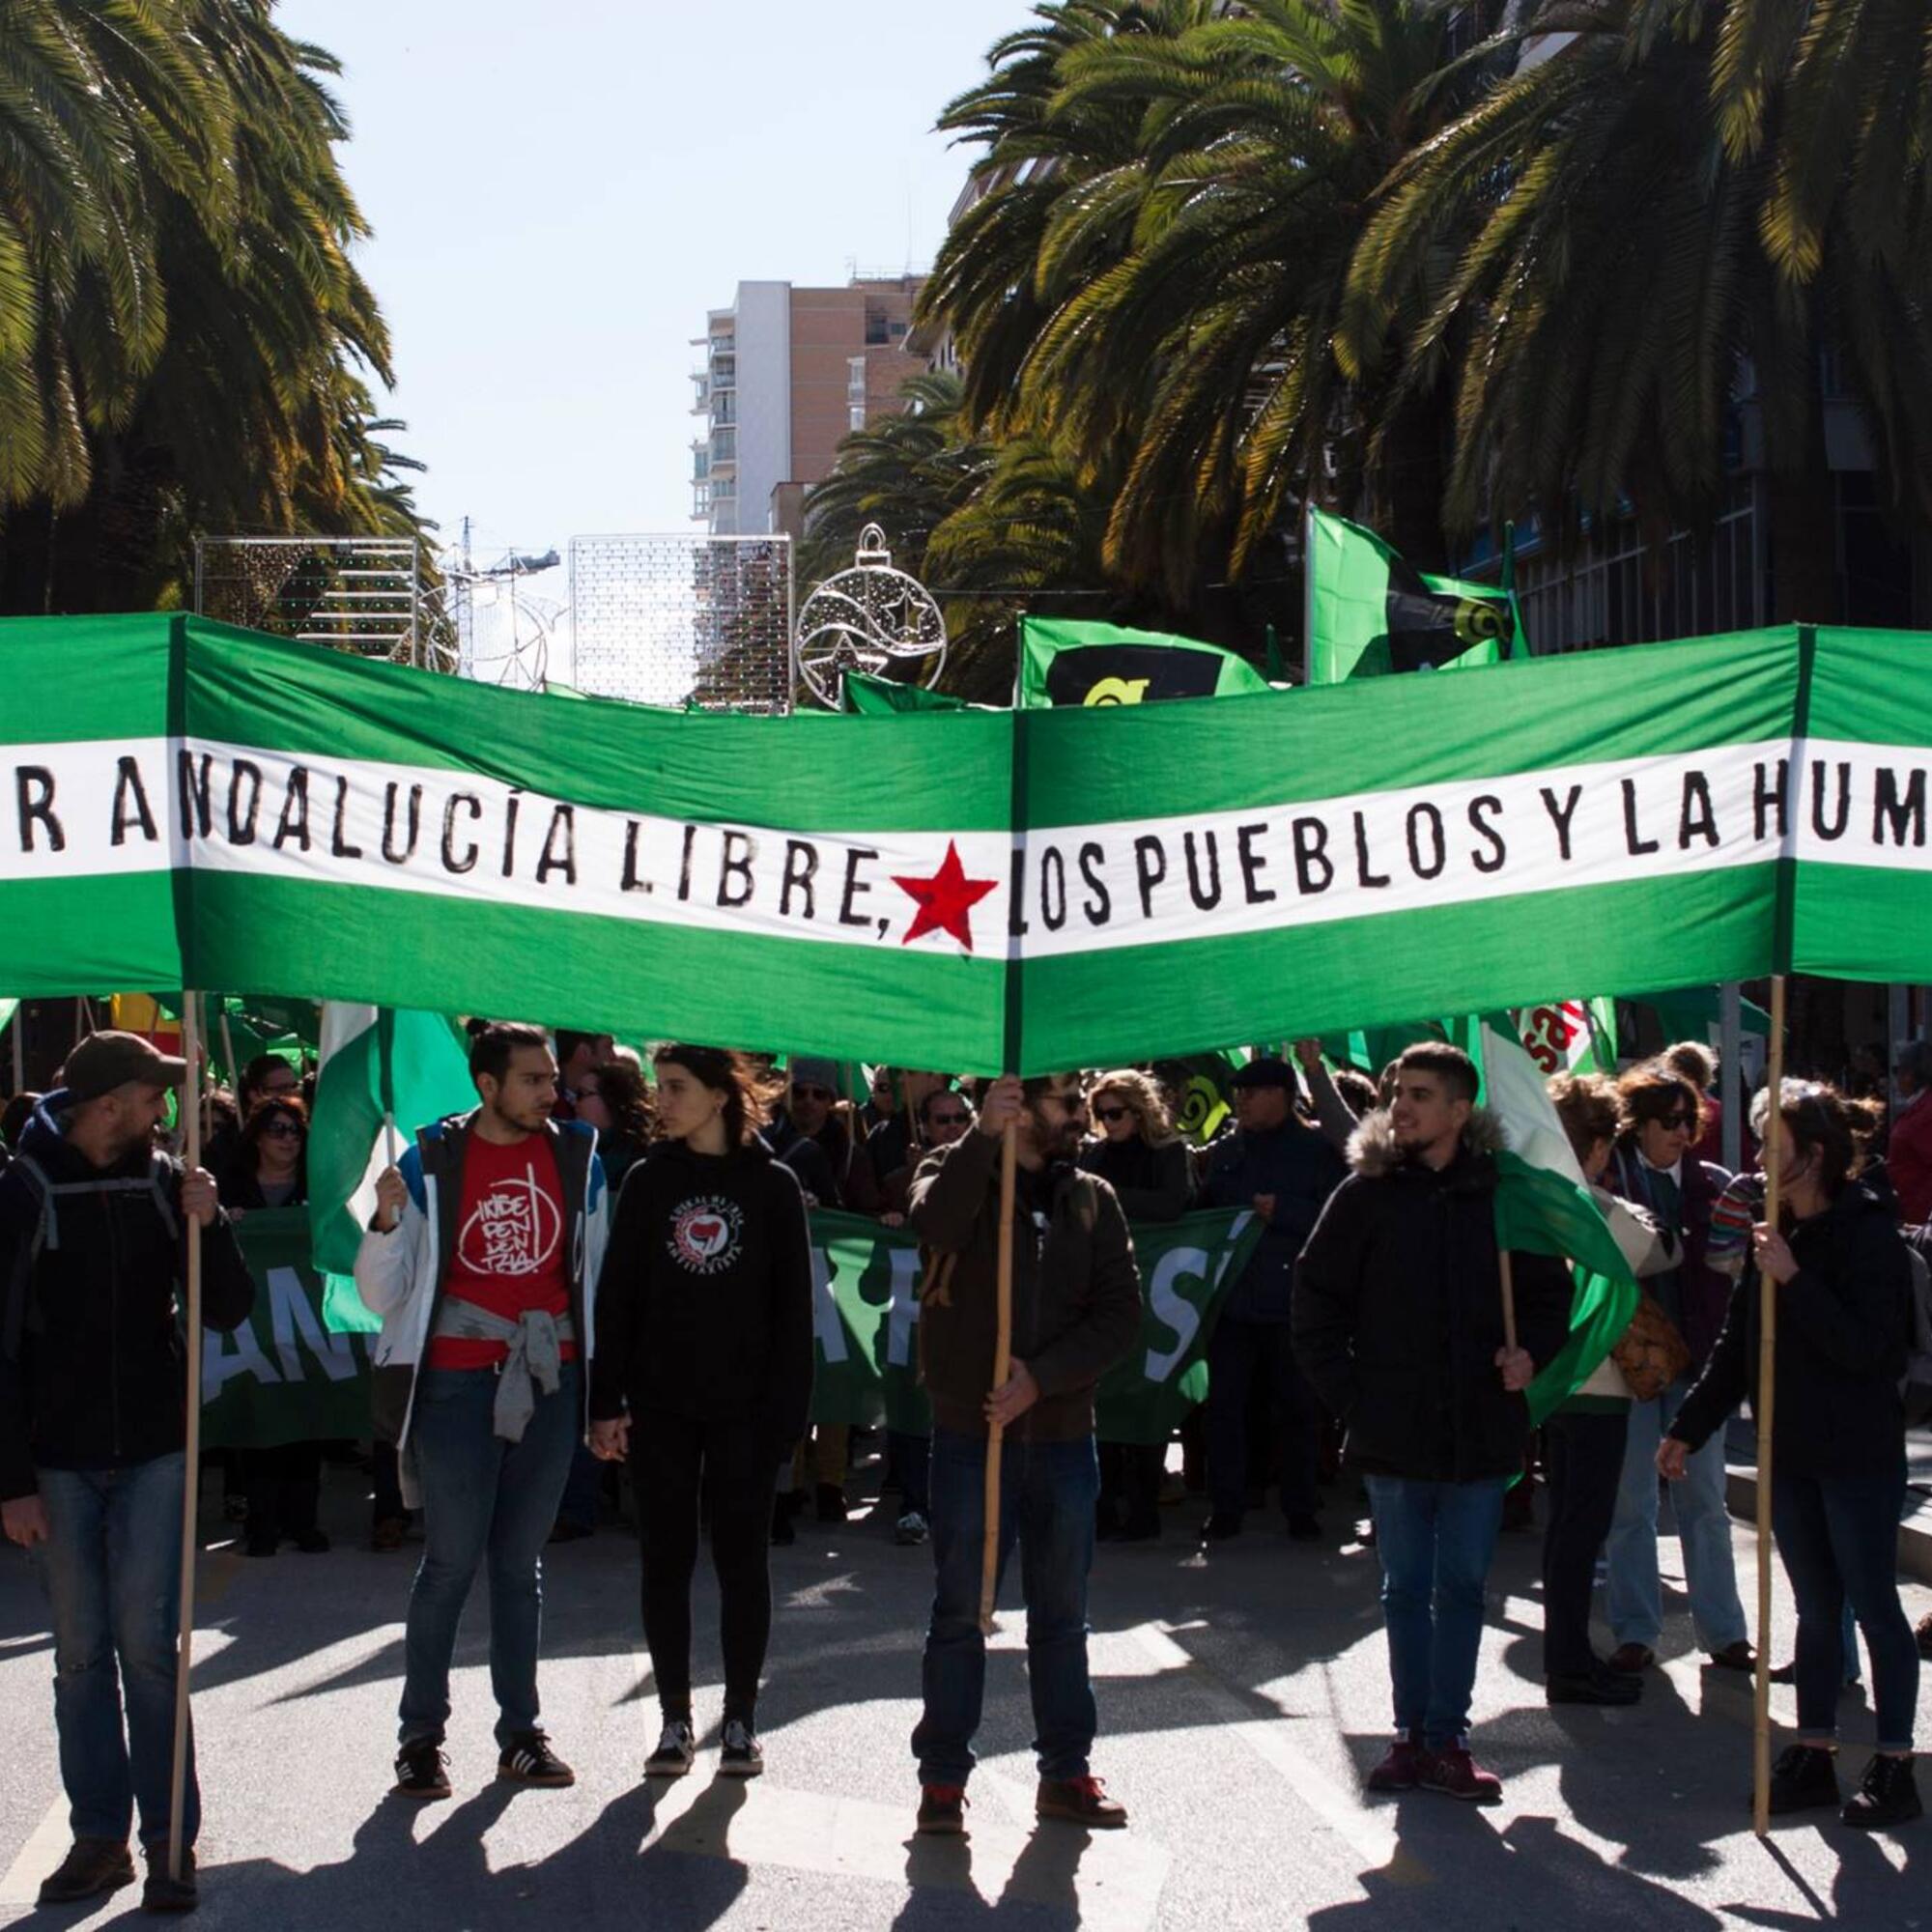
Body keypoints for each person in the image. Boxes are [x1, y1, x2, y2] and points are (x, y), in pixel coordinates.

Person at [0, 1032, 255, 1913]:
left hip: (154, 1448)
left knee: (149, 1652)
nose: (169, 1111)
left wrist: (210, 1220)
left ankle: (170, 1843)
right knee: (79, 1659)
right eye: (156, 1096)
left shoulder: (163, 1180)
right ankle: (99, 1840)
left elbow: (228, 1308)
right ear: (109, 1104)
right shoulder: (22, 1190)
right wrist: (11, 1481)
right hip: (58, 1462)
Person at [1294, 1043, 1572, 1803]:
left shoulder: (1508, 1196)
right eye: (1395, 1094)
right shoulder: (1365, 1194)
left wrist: (1530, 1356)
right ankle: (1409, 1737)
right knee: (1403, 1588)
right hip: (1393, 1430)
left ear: (1460, 1109)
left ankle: (1449, 1739)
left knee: (1462, 1588)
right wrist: (1354, 1399)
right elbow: (1315, 1302)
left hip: (1482, 1429)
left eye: (1420, 1094)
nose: (1403, 1107)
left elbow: (1551, 1299)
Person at [355, 1022, 608, 1802]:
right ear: (487, 1084)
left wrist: (608, 1389)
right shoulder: (430, 1159)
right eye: (532, 1080)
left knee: (520, 1567)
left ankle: (520, 1734)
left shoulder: (578, 1157)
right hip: (456, 1387)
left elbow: (597, 1277)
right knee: (450, 1564)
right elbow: (381, 1295)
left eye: (550, 1079)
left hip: (551, 1382)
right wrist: (386, 1224)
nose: (550, 1092)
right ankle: (420, 1740)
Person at [1663, 1079, 1921, 1829]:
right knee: (1813, 1608)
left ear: (1813, 1155)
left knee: (1874, 1605)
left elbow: (1868, 1350)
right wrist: (1690, 1427)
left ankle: (1895, 1761)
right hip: (1793, 1450)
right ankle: (1814, 1750)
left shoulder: (1868, 1231)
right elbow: (1736, 1349)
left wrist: (1795, 1281)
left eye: (1773, 1149)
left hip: (1859, 1453)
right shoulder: (1774, 1232)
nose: (1760, 1163)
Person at [907, 1072, 1143, 1835]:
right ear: (1014, 1105)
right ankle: (943, 1778)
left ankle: (1066, 1771)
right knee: (959, 1612)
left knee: (1062, 1615)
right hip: (972, 1433)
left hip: (1063, 1435)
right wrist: (981, 1138)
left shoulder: (1092, 1199)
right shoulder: (950, 1168)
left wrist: (1041, 1380)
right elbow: (938, 1229)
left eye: (1082, 1103)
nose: (1081, 1116)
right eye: (1065, 1103)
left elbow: (1119, 1314)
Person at [587, 1045, 811, 1779]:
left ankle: (740, 1719)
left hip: (748, 1409)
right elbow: (616, 1297)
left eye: (679, 1088)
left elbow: (793, 1313)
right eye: (661, 1087)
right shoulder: (650, 1181)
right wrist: (605, 1402)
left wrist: (789, 1418)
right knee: (666, 1560)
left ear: (721, 1096)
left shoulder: (773, 1185)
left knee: (743, 1560)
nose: (665, 1100)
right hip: (662, 1407)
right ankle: (676, 1719)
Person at [1601, 1062, 1751, 1676]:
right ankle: (1637, 1632)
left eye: (1692, 1119)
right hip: (1630, 1366)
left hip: (1697, 1367)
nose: (1684, 1131)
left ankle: (1725, 1633)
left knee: (1706, 1501)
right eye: (1670, 1121)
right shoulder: (1611, 1182)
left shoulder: (1715, 1183)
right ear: (1637, 1125)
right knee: (1632, 1503)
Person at [1541, 1073, 1680, 1707]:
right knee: (1580, 1530)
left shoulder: (1533, 1197)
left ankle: (1566, 1654)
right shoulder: (1587, 1204)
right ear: (1597, 1146)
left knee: (1565, 1530)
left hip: (1551, 1386)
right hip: (1595, 1387)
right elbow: (1657, 1249)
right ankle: (1569, 1664)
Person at [1197, 1057, 1348, 1543]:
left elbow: (1337, 1221)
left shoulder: (1316, 1150)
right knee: (1225, 1408)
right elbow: (1203, 1214)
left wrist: (1285, 1213)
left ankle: (1300, 1507)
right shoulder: (1225, 1151)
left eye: (1252, 1091)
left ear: (1282, 1096)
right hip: (1235, 1303)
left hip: (1292, 1304)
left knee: (1298, 1410)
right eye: (1238, 1092)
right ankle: (1227, 1507)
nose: (1241, 1099)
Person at [1080, 1070, 1190, 1542]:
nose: (1108, 1122)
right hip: (1103, 1287)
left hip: (1158, 1286)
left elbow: (1172, 1205)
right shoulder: (1096, 1153)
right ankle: (1104, 1505)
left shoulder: (1168, 1153)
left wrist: (1108, 1197)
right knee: (1104, 1395)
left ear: (1139, 1110)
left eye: (1116, 1113)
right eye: (1100, 1114)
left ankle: (1144, 1504)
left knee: (1146, 1395)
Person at [217, 1096, 329, 1558]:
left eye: (295, 1131)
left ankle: (303, 1523)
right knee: (259, 1425)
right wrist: (225, 1222)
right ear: (258, 1137)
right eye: (278, 1130)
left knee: (306, 1423)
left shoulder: (317, 1186)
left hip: (306, 1329)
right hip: (255, 1330)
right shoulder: (233, 1187)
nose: (288, 1139)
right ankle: (262, 1526)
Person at [879, 1086, 978, 1545]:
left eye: (962, 1118)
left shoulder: (992, 1170)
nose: (954, 1128)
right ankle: (916, 1504)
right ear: (925, 1126)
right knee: (916, 1406)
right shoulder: (902, 1177)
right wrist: (887, 1218)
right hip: (913, 1314)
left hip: (970, 1314)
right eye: (944, 1120)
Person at [568, 1059, 652, 1191]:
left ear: (611, 1099)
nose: (575, 1103)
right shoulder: (573, 1153)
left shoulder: (644, 1161)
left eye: (582, 1094)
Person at [1887, 1040, 1932, 1227]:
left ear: (1910, 1075)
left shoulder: (1927, 1112)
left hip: (1919, 1218)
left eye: (1897, 1071)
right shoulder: (1919, 1106)